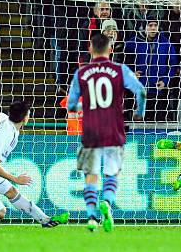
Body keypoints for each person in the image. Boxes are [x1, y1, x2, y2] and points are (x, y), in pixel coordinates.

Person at [67, 34, 146, 232]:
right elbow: (141, 91)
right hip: (114, 131)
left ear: (90, 49)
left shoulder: (81, 73)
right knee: (112, 174)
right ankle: (108, 204)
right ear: (111, 49)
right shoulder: (120, 70)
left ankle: (92, 218)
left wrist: (83, 107)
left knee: (91, 176)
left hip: (91, 132)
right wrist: (139, 112)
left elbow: (71, 106)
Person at [0, 101, 70, 227]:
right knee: (0, 213)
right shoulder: (9, 137)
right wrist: (15, 178)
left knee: (11, 191)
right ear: (24, 118)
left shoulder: (5, 120)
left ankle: (44, 220)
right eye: (28, 114)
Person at [125, 19, 177, 121]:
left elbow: (173, 65)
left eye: (155, 25)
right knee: (138, 123)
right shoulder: (133, 43)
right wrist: (132, 73)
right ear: (144, 27)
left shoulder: (165, 43)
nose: (153, 28)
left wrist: (165, 81)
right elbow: (124, 63)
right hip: (138, 91)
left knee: (158, 122)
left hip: (157, 91)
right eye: (150, 25)